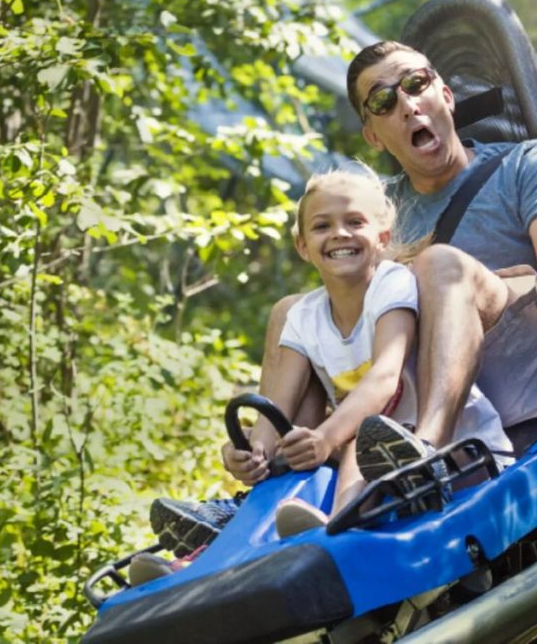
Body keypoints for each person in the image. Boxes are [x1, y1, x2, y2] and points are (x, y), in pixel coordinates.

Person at [148, 40, 537, 559]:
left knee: (436, 264)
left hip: (528, 362)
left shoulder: (525, 163)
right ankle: (261, 486)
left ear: (445, 95)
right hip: (406, 383)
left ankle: (426, 454)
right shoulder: (376, 210)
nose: (407, 104)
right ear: (373, 134)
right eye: (384, 101)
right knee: (291, 312)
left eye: (415, 84)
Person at [129, 166, 512, 586]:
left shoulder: (392, 283)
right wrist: (252, 451)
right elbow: (276, 411)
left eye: (355, 223)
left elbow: (386, 377)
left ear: (382, 237)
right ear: (303, 245)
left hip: (451, 451)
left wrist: (327, 437)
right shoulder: (304, 317)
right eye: (322, 226)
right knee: (292, 457)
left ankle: (336, 539)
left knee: (356, 441)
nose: (340, 234)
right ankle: (206, 563)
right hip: (375, 455)